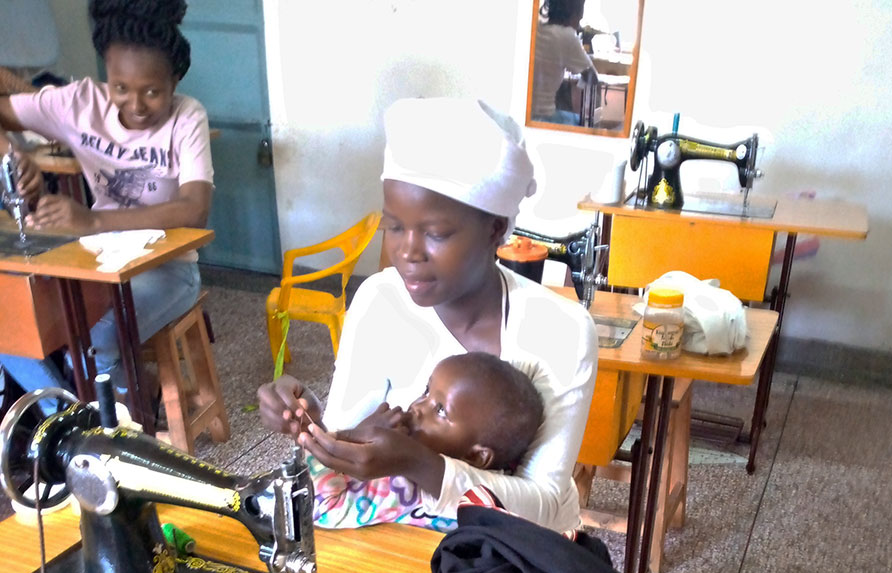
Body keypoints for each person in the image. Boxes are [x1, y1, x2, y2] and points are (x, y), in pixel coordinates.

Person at [258, 97, 598, 533]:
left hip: (520, 555)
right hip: (400, 540)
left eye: (435, 233)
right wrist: (310, 422)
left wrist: (421, 464)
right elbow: (352, 441)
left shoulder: (558, 330)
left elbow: (544, 505)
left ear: (496, 229)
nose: (407, 252)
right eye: (394, 227)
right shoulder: (380, 301)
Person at [0, 0, 212, 410]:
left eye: (152, 92)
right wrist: (12, 155)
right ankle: (72, 418)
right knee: (13, 327)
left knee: (89, 347)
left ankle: (111, 413)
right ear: (105, 75)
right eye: (121, 88)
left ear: (176, 80)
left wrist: (93, 219)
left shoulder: (187, 118)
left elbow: (194, 208)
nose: (135, 106)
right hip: (97, 264)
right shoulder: (80, 104)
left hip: (168, 269)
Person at [309, 351, 545, 531]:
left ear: (475, 456)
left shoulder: (407, 486)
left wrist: (348, 437)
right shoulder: (501, 487)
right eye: (426, 391)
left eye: (441, 410)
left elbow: (320, 508)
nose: (418, 407)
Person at [531, 0, 600, 126]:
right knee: (588, 122)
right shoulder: (566, 36)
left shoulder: (534, 25)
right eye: (578, 19)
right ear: (573, 12)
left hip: (524, 112)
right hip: (543, 116)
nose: (578, 26)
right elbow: (592, 77)